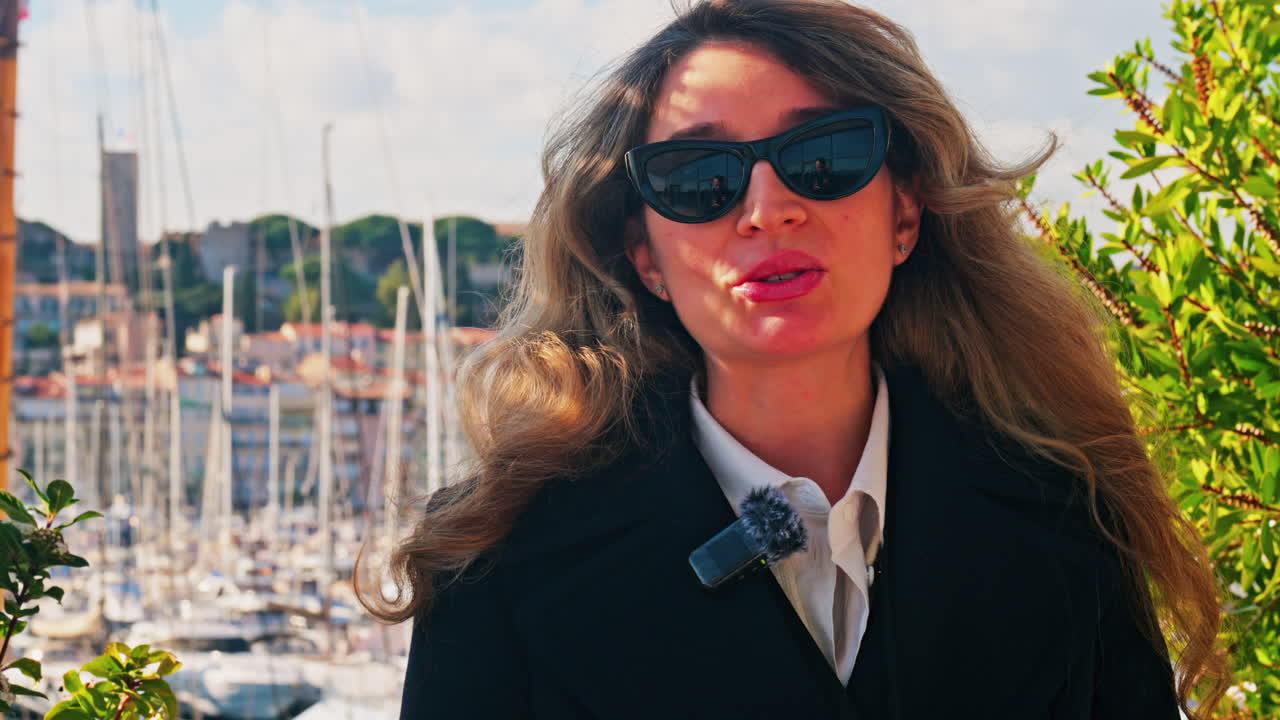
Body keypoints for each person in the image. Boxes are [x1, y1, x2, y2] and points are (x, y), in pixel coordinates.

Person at [363, 1, 1231, 718]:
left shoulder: (1064, 515)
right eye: (700, 176)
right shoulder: (500, 556)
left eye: (824, 156)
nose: (768, 208)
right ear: (644, 257)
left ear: (906, 214)